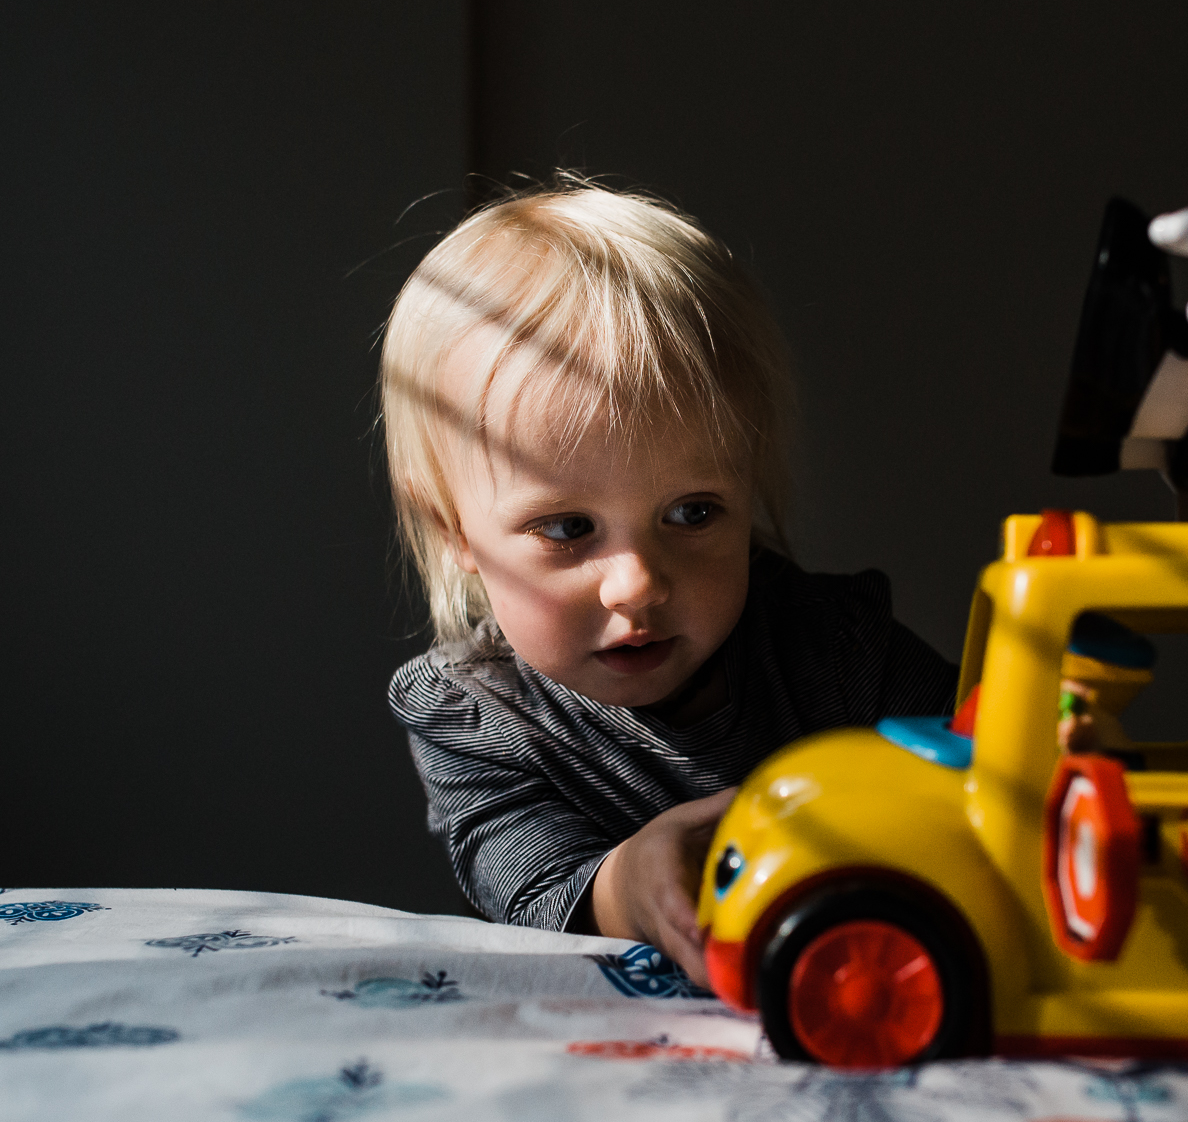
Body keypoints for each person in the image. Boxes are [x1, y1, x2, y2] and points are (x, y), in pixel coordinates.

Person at [380, 181, 956, 986]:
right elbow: (535, 891)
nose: (638, 584)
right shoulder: (474, 716)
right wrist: (629, 885)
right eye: (568, 527)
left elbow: (989, 767)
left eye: (692, 511)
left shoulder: (837, 649)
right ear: (451, 528)